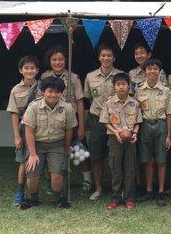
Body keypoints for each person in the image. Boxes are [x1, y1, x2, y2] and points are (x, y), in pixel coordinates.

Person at [20, 77, 77, 210]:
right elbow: (28, 131)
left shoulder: (67, 107)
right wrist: (33, 154)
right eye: (50, 91)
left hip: (57, 144)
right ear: (42, 92)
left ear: (62, 93)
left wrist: (66, 147)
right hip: (37, 144)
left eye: (57, 92)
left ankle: (58, 198)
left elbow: (69, 130)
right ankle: (33, 199)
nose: (53, 95)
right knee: (32, 174)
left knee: (57, 175)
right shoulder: (33, 107)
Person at [40, 46, 91, 194]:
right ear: (50, 61)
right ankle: (53, 182)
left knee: (79, 152)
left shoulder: (73, 77)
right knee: (53, 150)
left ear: (65, 60)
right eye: (54, 59)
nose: (57, 62)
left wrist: (81, 126)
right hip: (51, 119)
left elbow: (80, 101)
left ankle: (87, 181)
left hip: (71, 119)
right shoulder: (45, 77)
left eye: (60, 59)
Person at [84, 44, 124, 201]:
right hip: (97, 118)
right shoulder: (90, 76)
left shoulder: (121, 75)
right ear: (99, 57)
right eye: (103, 55)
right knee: (96, 155)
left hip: (117, 120)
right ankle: (98, 188)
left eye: (109, 55)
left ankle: (118, 188)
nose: (106, 58)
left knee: (117, 156)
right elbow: (90, 98)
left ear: (114, 58)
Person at [99, 72, 142, 209]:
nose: (121, 87)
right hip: (114, 139)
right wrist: (115, 131)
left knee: (129, 169)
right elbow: (105, 122)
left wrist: (135, 133)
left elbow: (137, 122)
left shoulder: (134, 103)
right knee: (115, 169)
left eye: (124, 84)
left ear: (129, 86)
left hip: (130, 140)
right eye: (118, 84)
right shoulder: (109, 103)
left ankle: (129, 198)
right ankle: (116, 198)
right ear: (114, 87)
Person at [135, 58, 171, 206]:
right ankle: (149, 190)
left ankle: (161, 191)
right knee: (147, 160)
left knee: (161, 160)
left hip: (161, 125)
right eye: (149, 69)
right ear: (145, 71)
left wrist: (169, 135)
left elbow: (169, 113)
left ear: (160, 71)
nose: (152, 71)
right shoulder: (139, 89)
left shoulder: (166, 90)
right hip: (144, 125)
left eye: (155, 69)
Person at [6, 56, 40, 206]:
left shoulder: (43, 87)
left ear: (37, 70)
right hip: (24, 128)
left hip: (42, 128)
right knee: (23, 161)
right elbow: (14, 113)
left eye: (32, 68)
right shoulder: (15, 90)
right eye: (26, 68)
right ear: (21, 70)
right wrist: (16, 137)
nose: (29, 71)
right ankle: (20, 191)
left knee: (42, 158)